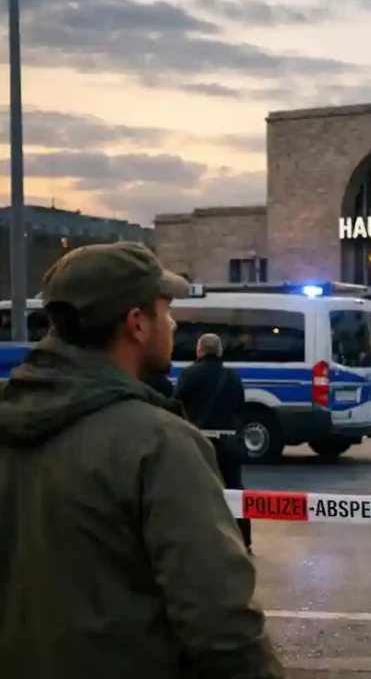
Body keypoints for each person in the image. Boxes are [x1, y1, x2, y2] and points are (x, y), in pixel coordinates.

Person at [0, 242, 282, 679]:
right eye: (164, 310)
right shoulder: (159, 442)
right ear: (136, 323)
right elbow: (220, 625)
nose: (171, 323)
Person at [176, 333, 251, 552]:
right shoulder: (232, 376)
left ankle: (195, 541)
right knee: (235, 491)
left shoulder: (188, 375)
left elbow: (177, 406)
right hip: (228, 442)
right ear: (220, 352)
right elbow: (240, 408)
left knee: (194, 490)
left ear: (199, 351)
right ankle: (244, 540)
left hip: (198, 442)